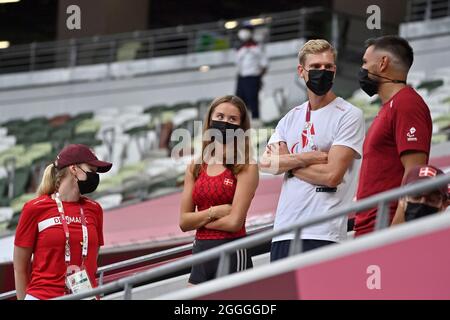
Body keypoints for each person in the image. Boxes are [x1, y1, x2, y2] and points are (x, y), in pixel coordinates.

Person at [259, 39, 365, 261]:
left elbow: (331, 176)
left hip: (323, 232)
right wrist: (309, 158)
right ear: (301, 71)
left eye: (328, 67)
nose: (322, 72)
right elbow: (267, 164)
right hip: (283, 232)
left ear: (335, 71)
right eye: (315, 67)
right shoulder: (290, 118)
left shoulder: (348, 114)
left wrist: (289, 164)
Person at [354, 35, 433, 237]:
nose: (362, 69)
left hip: (384, 227)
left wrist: (395, 231)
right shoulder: (390, 107)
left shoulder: (406, 104)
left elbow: (415, 173)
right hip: (371, 226)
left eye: (365, 62)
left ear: (383, 63)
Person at [13, 144, 112, 300]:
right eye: (91, 170)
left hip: (85, 296)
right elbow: (19, 267)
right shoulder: (34, 208)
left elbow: (91, 260)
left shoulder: (95, 209)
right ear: (73, 169)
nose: (95, 176)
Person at [179, 95, 259, 285]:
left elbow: (234, 223)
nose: (225, 123)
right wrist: (214, 212)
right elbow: (183, 222)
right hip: (200, 252)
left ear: (241, 127)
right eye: (220, 116)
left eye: (232, 119)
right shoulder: (196, 166)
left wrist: (199, 221)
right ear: (210, 120)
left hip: (232, 252)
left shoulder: (245, 166)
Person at [235, 24, 268, 120]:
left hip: (253, 77)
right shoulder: (240, 48)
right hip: (241, 77)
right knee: (239, 101)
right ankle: (240, 122)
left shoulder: (257, 47)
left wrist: (258, 77)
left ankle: (256, 120)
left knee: (253, 100)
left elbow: (264, 65)